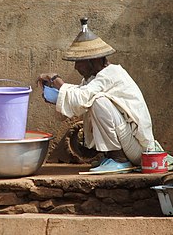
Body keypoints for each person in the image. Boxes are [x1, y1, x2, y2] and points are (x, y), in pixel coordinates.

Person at [36, 17, 159, 173]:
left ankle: (119, 159)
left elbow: (83, 97)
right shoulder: (94, 79)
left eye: (79, 62)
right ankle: (111, 157)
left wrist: (56, 80)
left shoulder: (111, 74)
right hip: (129, 144)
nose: (75, 67)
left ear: (93, 60)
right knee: (93, 100)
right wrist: (57, 96)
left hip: (139, 151)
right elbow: (79, 100)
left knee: (98, 101)